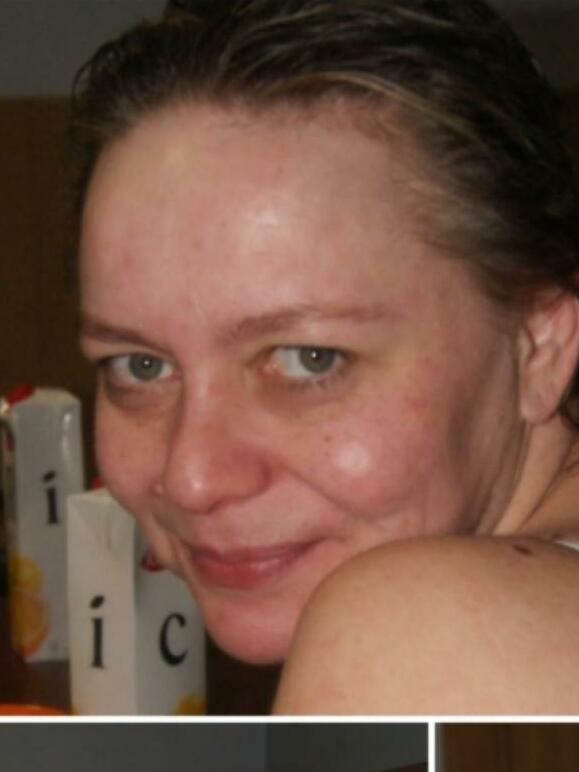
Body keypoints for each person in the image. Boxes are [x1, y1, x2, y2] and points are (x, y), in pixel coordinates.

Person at [71, 0, 579, 714]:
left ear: (539, 344)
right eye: (139, 366)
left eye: (309, 359)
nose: (191, 478)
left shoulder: (423, 635)